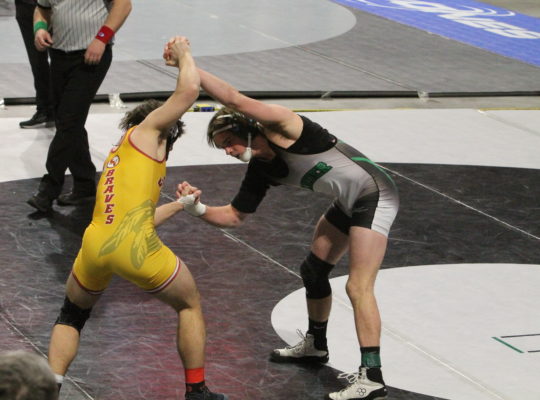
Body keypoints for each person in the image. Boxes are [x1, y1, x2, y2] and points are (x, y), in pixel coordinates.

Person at [164, 68, 400, 400]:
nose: (228, 151)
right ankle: (316, 345)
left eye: (229, 143)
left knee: (358, 286)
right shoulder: (261, 170)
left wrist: (186, 63)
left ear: (246, 129)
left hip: (375, 194)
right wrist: (196, 208)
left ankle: (372, 377)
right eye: (222, 148)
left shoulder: (286, 128)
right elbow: (234, 216)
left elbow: (233, 98)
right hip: (349, 201)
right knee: (313, 271)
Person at [46, 36, 227, 400]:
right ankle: (197, 391)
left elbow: (134, 219)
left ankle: (48, 389)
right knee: (189, 304)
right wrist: (184, 55)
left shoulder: (123, 153)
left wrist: (179, 205)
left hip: (96, 244)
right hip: (135, 249)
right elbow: (189, 91)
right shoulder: (150, 131)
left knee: (72, 315)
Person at [27, 0, 132, 213]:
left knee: (68, 122)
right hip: (58, 55)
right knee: (68, 122)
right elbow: (42, 9)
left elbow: (123, 5)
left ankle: (49, 189)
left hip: (91, 56)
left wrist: (101, 38)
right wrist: (39, 29)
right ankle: (84, 185)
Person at [14, 0, 54, 129]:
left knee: (60, 58)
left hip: (54, 6)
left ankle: (57, 110)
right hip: (25, 6)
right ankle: (46, 110)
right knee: (37, 62)